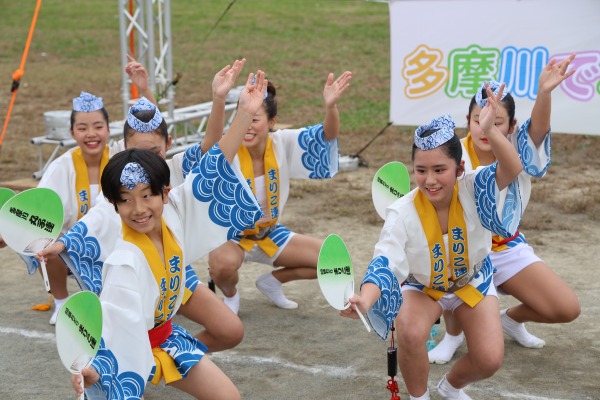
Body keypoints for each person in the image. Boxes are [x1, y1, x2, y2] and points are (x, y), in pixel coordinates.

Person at [67, 71, 267, 399]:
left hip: (168, 338)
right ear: (114, 205)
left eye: (147, 195)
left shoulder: (176, 209)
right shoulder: (123, 263)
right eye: (126, 200)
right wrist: (93, 369)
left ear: (166, 191)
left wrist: (243, 111)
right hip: (128, 352)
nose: (139, 209)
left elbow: (214, 165)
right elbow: (113, 327)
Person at [38, 58, 250, 352]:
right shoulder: (120, 182)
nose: (147, 158)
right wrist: (66, 242)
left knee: (230, 331)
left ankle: (163, 362)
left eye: (155, 151)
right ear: (124, 150)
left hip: (174, 271)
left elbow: (212, 150)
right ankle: (129, 364)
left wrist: (219, 99)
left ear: (168, 145)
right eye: (137, 151)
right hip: (134, 279)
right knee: (119, 347)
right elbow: (101, 214)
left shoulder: (176, 169)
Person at [341, 84, 524, 400]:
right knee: (411, 333)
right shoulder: (402, 211)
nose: (430, 180)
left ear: (459, 168)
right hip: (423, 287)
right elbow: (385, 260)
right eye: (421, 170)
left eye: (440, 169)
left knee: (489, 359)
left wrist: (491, 131)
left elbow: (512, 168)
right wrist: (366, 300)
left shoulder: (474, 187)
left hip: (472, 280)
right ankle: (419, 397)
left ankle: (451, 386)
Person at [428, 55, 581, 365]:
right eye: (478, 119)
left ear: (511, 126)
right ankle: (453, 335)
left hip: (505, 246)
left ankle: (508, 319)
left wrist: (545, 93)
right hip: (463, 249)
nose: (485, 127)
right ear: (468, 121)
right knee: (443, 255)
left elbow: (538, 130)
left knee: (566, 308)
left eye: (496, 121)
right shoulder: (451, 152)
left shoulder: (517, 146)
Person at [207, 70, 352, 314]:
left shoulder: (282, 143)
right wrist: (218, 99)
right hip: (232, 236)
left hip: (270, 233)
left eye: (255, 119)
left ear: (272, 122)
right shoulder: (227, 146)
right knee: (222, 266)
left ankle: (272, 281)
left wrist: (330, 107)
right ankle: (230, 295)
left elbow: (328, 135)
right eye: (243, 119)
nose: (248, 127)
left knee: (334, 261)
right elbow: (209, 147)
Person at [33, 91, 111, 325]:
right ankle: (61, 303)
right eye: (82, 128)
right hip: (72, 246)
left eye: (98, 126)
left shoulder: (119, 158)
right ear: (72, 133)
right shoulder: (61, 167)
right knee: (43, 239)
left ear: (108, 128)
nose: (91, 134)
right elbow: (41, 209)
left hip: (114, 241)